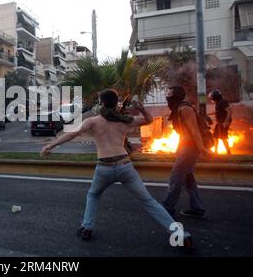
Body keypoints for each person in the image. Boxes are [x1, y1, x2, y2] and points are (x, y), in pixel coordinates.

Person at [41, 89, 193, 247]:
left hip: (104, 168)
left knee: (93, 195)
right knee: (149, 201)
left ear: (101, 103)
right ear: (115, 103)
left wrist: (51, 145)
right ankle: (181, 234)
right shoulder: (124, 120)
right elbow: (148, 119)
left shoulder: (93, 121)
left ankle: (87, 228)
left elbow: (72, 134)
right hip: (125, 166)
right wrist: (141, 108)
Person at [162, 86, 210, 220]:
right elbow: (184, 133)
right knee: (188, 179)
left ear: (176, 95)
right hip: (185, 146)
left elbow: (194, 130)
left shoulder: (185, 109)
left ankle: (167, 207)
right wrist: (178, 149)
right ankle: (197, 208)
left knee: (176, 177)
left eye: (169, 94)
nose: (167, 96)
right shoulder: (179, 109)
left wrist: (201, 148)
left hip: (190, 147)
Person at [209, 89, 232, 155]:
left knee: (223, 137)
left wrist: (226, 122)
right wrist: (207, 114)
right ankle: (215, 152)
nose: (211, 98)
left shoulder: (223, 102)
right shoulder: (218, 102)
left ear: (215, 96)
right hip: (219, 123)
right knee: (216, 136)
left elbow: (229, 112)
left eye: (212, 96)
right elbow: (217, 112)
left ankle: (228, 152)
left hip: (223, 123)